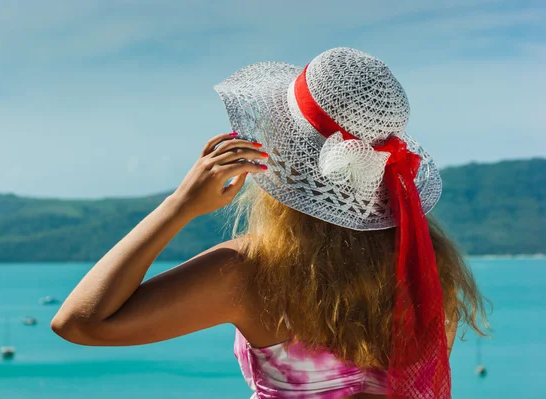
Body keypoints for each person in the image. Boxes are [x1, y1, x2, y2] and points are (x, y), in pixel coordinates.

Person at [52, 48, 487, 399]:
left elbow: (80, 323)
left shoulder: (252, 273)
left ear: (279, 151)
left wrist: (179, 205)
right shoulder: (430, 270)